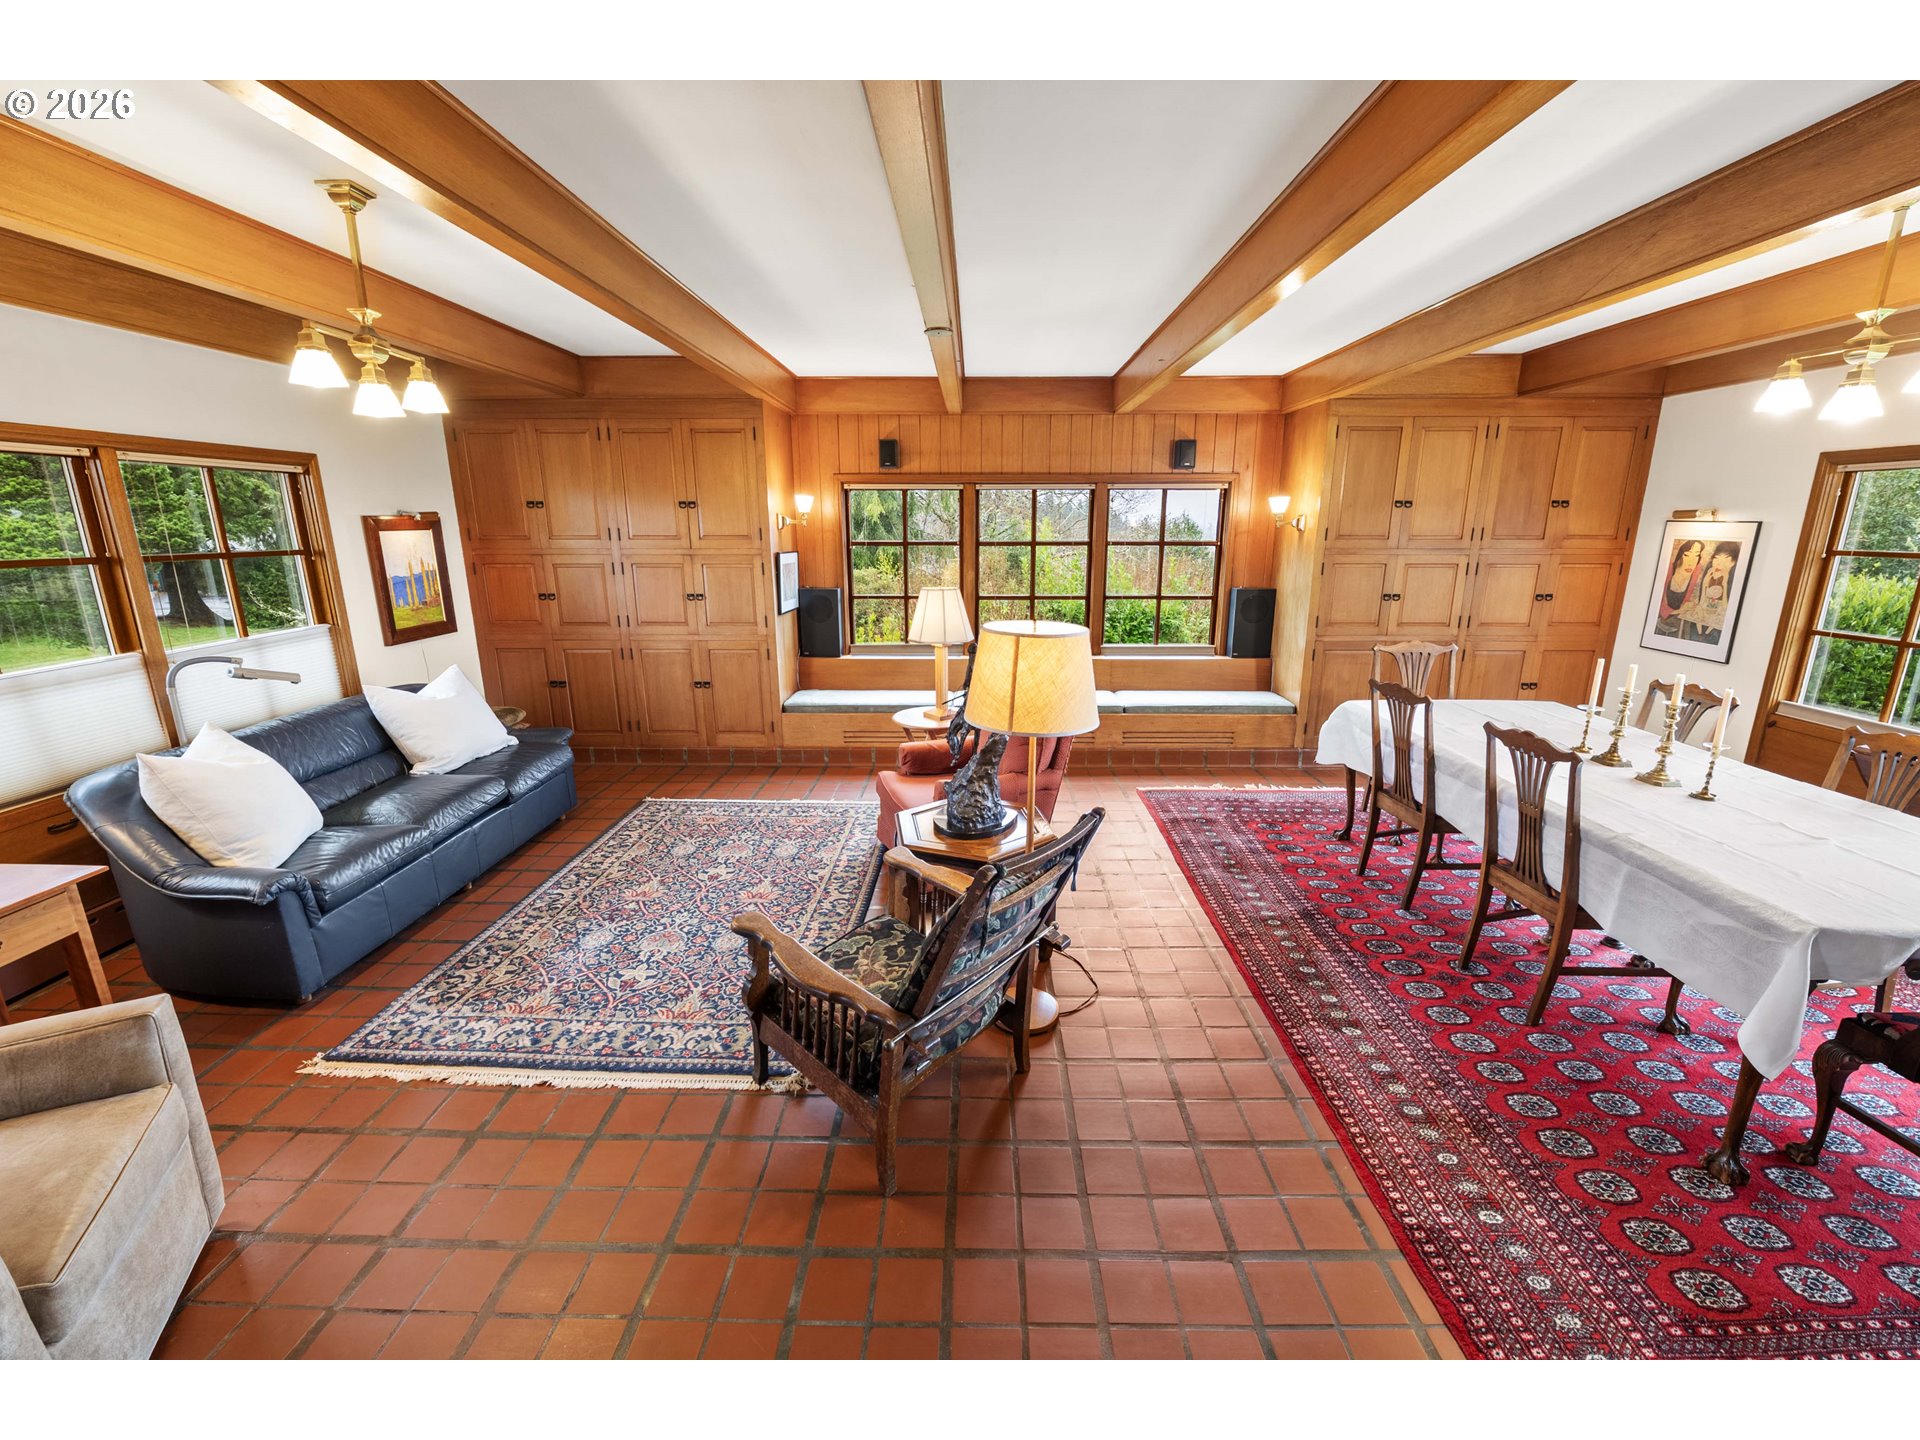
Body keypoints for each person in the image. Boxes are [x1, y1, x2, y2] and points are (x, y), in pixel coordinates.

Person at [1677, 543, 1737, 643]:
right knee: (1695, 627)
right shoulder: (1710, 573)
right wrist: (1705, 584)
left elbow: (1725, 608)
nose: (1719, 563)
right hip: (1707, 611)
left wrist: (1725, 583)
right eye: (1716, 558)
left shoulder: (1732, 578)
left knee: (1711, 631)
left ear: (1733, 562)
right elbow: (1703, 600)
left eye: (1725, 559)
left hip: (1719, 616)